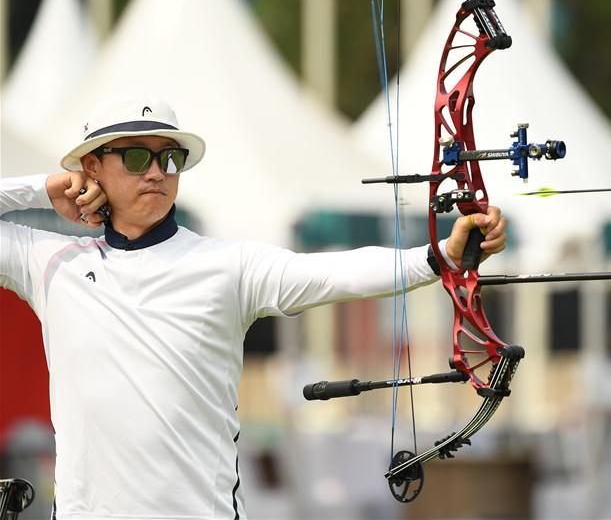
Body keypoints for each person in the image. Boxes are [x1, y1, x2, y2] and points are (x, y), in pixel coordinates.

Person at [0, 94, 508, 519]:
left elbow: (331, 273)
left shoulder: (227, 265)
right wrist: (44, 188)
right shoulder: (52, 263)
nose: (156, 172)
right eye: (136, 158)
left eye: (169, 158)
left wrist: (439, 255)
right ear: (93, 168)